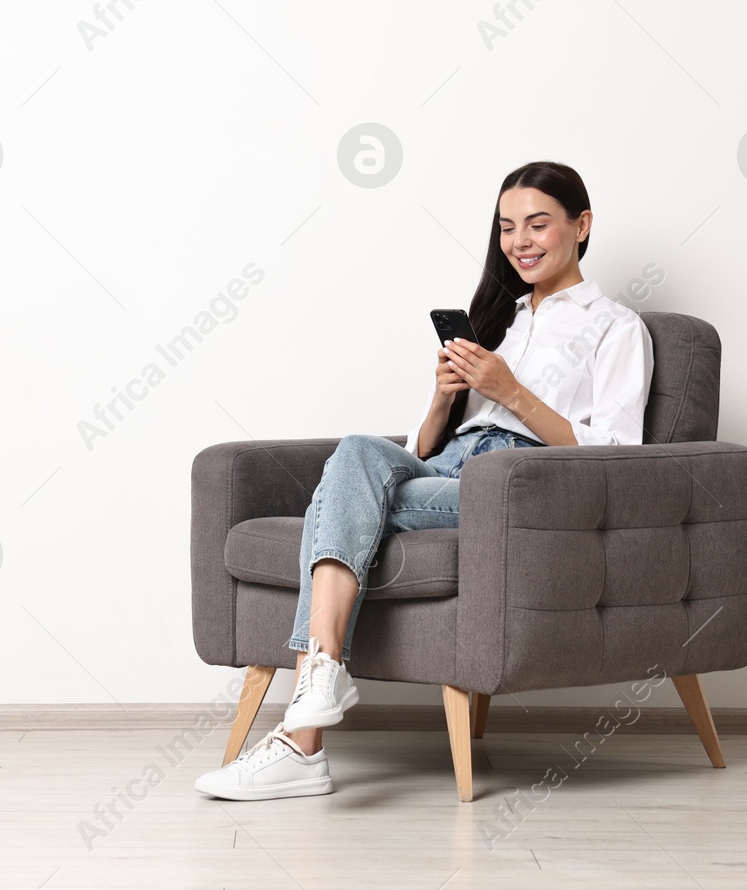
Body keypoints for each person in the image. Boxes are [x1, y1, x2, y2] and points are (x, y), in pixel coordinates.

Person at [195, 161, 655, 801]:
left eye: (537, 224)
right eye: (506, 228)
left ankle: (303, 739)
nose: (519, 241)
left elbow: (613, 453)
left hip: (515, 483)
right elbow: (422, 450)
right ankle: (322, 679)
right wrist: (445, 399)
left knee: (340, 501)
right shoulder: (502, 317)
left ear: (581, 226)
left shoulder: (616, 326)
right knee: (358, 452)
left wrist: (511, 394)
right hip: (447, 466)